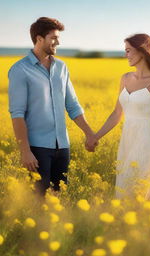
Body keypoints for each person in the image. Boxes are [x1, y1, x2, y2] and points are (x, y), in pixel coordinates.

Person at [8, 17, 98, 197]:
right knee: (38, 202)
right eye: (54, 38)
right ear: (39, 39)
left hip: (63, 146)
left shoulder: (62, 67)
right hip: (37, 147)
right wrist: (25, 152)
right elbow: (17, 114)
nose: (58, 42)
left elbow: (72, 105)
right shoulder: (20, 70)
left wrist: (89, 133)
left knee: (58, 200)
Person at [92, 34, 150, 203]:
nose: (126, 55)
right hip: (127, 142)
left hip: (148, 141)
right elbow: (117, 113)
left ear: (142, 51)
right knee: (124, 190)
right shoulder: (125, 79)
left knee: (141, 193)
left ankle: (144, 227)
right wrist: (96, 136)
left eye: (129, 50)